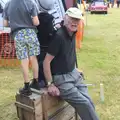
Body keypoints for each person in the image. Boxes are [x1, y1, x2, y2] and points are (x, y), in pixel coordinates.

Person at [43, 7, 99, 120]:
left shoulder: (73, 31)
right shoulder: (58, 36)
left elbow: (69, 53)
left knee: (89, 100)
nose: (74, 22)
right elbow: (46, 62)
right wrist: (50, 84)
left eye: (77, 19)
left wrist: (74, 68)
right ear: (65, 18)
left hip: (73, 73)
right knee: (85, 103)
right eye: (72, 18)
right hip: (61, 78)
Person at [3, 0, 40, 95]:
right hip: (31, 33)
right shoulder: (31, 3)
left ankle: (27, 86)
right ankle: (36, 82)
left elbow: (5, 24)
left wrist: (16, 22)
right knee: (33, 57)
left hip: (18, 34)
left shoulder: (7, 5)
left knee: (24, 59)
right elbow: (36, 22)